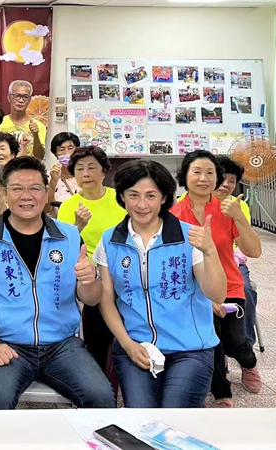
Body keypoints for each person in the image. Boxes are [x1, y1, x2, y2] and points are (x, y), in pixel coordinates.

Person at [0, 156, 115, 410]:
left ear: (45, 192)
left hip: (61, 344)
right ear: (6, 193)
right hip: (7, 342)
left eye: (34, 188)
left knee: (101, 396)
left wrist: (90, 280)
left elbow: (91, 298)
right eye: (17, 188)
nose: (26, 196)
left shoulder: (69, 235)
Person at [96, 160, 226, 408]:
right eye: (133, 195)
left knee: (174, 415)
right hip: (136, 345)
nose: (141, 204)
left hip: (190, 348)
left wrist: (210, 252)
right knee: (142, 417)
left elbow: (217, 294)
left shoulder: (190, 236)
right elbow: (107, 301)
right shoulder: (110, 240)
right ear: (122, 196)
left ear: (164, 197)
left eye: (150, 196)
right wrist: (128, 345)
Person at [170, 151, 263, 407]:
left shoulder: (227, 209)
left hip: (230, 287)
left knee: (234, 341)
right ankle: (222, 392)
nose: (204, 178)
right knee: (209, 341)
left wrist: (239, 216)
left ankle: (249, 363)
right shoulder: (173, 214)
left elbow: (254, 251)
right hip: (192, 290)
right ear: (185, 176)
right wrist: (205, 298)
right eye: (197, 172)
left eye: (210, 173)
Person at [57, 146, 125, 374]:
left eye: (92, 167)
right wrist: (78, 227)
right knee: (96, 313)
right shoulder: (69, 206)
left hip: (124, 269)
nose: (85, 174)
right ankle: (99, 369)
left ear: (104, 171)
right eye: (79, 169)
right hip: (90, 274)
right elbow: (63, 249)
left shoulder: (120, 198)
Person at [212, 156, 258, 346]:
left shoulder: (239, 205)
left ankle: (245, 345)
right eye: (222, 179)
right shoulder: (184, 203)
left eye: (232, 181)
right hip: (198, 263)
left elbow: (247, 243)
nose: (226, 185)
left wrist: (236, 257)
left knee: (246, 290)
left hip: (231, 261)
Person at [0, 80, 45, 159]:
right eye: (17, 96)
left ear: (30, 100)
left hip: (29, 166)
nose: (21, 100)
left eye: (25, 97)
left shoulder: (38, 126)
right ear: (9, 98)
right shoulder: (0, 123)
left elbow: (39, 157)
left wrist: (35, 135)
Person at [48, 132, 81, 207]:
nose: (67, 153)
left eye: (70, 148)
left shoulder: (85, 175)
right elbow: (47, 208)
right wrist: (53, 181)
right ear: (55, 153)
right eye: (62, 150)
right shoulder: (48, 176)